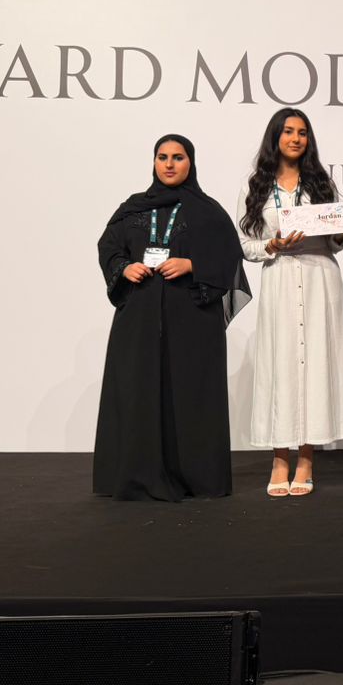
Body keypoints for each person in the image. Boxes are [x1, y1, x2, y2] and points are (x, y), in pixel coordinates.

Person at [93, 134, 250, 501]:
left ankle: (193, 477)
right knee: (137, 390)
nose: (169, 164)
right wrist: (124, 267)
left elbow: (230, 258)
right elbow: (108, 246)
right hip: (139, 316)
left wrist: (192, 264)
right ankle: (136, 476)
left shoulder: (208, 212)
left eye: (178, 157)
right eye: (162, 157)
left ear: (190, 163)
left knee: (189, 394)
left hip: (191, 319)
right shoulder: (133, 208)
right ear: (153, 162)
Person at [237, 107, 343, 497]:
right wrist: (272, 245)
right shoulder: (254, 187)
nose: (296, 138)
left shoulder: (322, 183)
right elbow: (246, 245)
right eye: (289, 131)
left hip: (319, 278)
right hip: (279, 277)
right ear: (275, 137)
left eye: (303, 132)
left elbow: (334, 239)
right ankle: (280, 458)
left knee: (316, 366)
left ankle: (307, 458)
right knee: (281, 366)